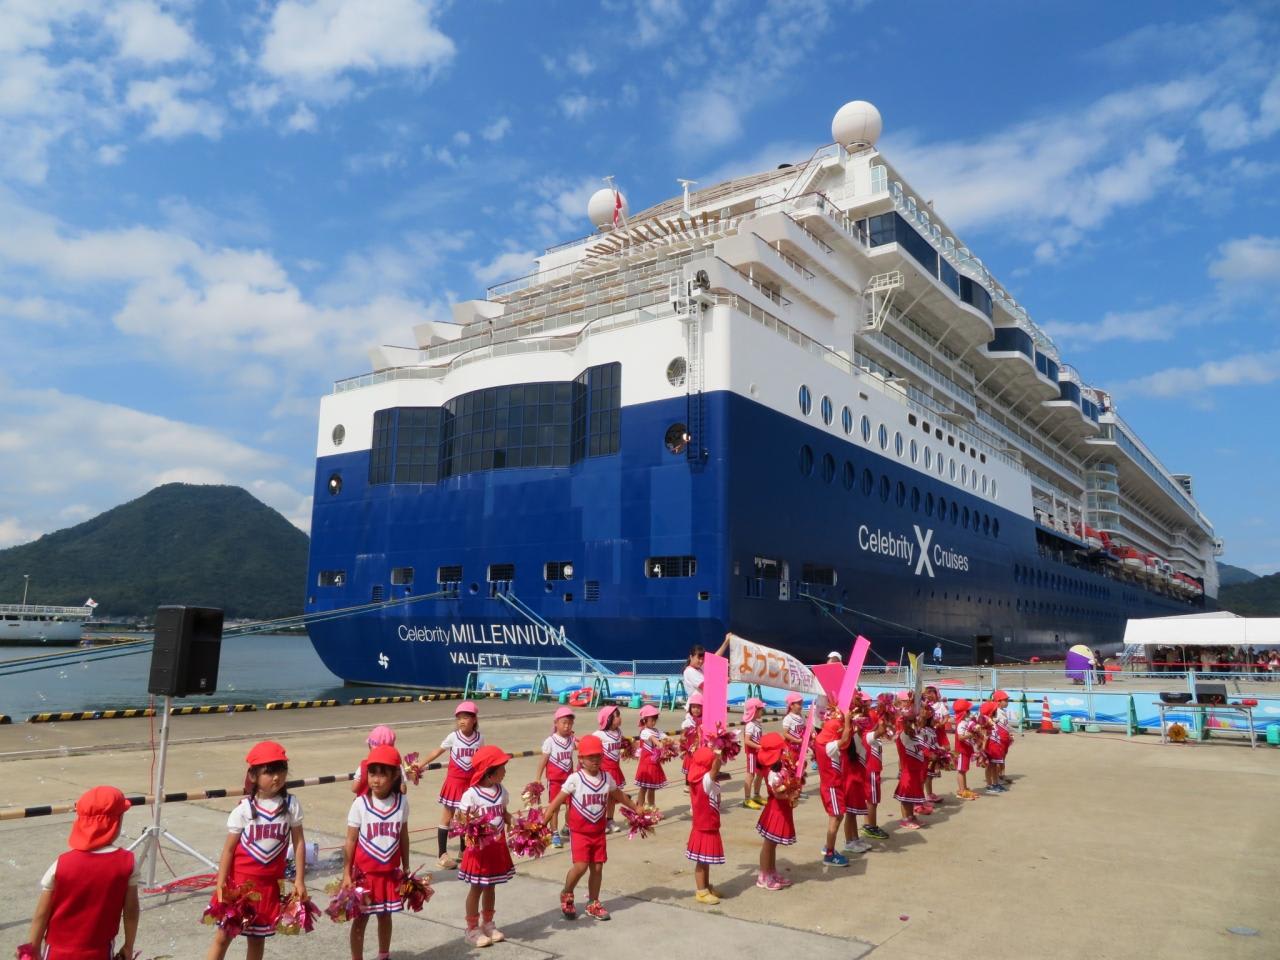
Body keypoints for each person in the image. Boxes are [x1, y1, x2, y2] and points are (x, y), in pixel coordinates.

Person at [205, 741, 306, 959]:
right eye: (269, 772)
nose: (276, 777)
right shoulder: (244, 809)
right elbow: (229, 850)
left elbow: (298, 843)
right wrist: (221, 884)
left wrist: (299, 880)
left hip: (269, 886)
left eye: (281, 770)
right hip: (241, 886)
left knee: (258, 939)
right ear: (253, 776)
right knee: (223, 936)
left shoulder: (291, 805)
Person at [20, 785, 139, 960]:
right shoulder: (127, 863)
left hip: (57, 951)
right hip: (99, 951)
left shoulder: (61, 863)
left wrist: (33, 950)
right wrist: (128, 946)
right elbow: (131, 911)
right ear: (117, 821)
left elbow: (42, 913)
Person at [543, 734, 636, 921]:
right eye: (590, 757)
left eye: (598, 756)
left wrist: (637, 808)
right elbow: (556, 802)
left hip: (598, 832)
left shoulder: (606, 778)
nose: (595, 760)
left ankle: (593, 902)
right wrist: (541, 824)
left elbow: (619, 796)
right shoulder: (575, 779)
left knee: (598, 868)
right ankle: (567, 892)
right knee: (581, 867)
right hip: (580, 832)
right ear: (581, 759)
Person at [344, 745, 409, 960]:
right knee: (360, 919)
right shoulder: (360, 804)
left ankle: (384, 954)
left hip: (389, 874)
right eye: (372, 774)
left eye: (382, 774)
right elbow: (350, 840)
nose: (376, 780)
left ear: (395, 775)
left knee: (385, 916)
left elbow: (403, 836)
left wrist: (406, 866)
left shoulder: (402, 803)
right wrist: (347, 873)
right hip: (365, 875)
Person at [456, 745, 515, 947]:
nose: (505, 771)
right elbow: (461, 820)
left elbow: (503, 813)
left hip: (496, 848)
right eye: (501, 767)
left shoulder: (501, 791)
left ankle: (488, 923)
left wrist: (515, 822)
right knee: (477, 888)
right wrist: (471, 826)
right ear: (489, 773)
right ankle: (472, 928)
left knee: (491, 886)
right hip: (479, 851)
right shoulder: (471, 795)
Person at [417, 701, 483, 869]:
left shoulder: (479, 738)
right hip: (454, 781)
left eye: (465, 718)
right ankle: (442, 854)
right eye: (459, 718)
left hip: (470, 783)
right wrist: (421, 763)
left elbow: (481, 759)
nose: (461, 721)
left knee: (465, 817)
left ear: (474, 719)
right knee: (447, 817)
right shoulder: (454, 737)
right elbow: (437, 751)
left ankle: (463, 850)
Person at [754, 732, 799, 890]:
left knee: (772, 844)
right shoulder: (773, 772)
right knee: (769, 844)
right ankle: (763, 876)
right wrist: (790, 795)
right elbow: (777, 794)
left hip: (781, 808)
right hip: (776, 810)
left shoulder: (778, 766)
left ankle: (771, 872)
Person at [685, 746, 725, 905]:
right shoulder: (705, 780)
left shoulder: (700, 777)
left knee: (705, 859)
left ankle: (706, 886)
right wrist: (718, 754)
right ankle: (701, 891)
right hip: (705, 826)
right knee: (701, 861)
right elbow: (715, 769)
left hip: (708, 824)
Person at [814, 710, 852, 867]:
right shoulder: (829, 745)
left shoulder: (821, 740)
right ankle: (829, 855)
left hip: (832, 785)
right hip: (832, 787)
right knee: (835, 818)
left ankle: (828, 846)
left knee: (839, 815)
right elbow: (845, 739)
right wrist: (848, 720)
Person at [534, 706, 576, 848]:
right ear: (556, 723)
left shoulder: (571, 739)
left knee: (571, 805)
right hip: (555, 781)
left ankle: (568, 826)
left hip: (569, 780)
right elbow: (543, 761)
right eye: (564, 723)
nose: (567, 726)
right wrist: (538, 777)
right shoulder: (550, 741)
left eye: (570, 723)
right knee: (555, 807)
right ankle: (554, 833)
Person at [595, 706, 629, 831]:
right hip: (604, 771)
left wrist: (629, 748)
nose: (619, 718)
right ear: (608, 719)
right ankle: (600, 821)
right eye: (616, 716)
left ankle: (610, 820)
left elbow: (623, 744)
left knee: (612, 797)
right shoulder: (599, 734)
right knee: (602, 797)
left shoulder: (619, 732)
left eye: (619, 715)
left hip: (615, 769)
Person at [893, 711, 927, 830]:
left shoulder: (914, 734)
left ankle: (911, 816)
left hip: (916, 771)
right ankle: (905, 819)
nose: (913, 723)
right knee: (906, 798)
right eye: (910, 721)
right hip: (908, 771)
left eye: (914, 721)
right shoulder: (903, 735)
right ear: (905, 723)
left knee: (912, 796)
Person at [859, 710, 890, 841]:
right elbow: (882, 730)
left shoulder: (867, 735)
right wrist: (885, 715)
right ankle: (872, 827)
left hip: (872, 770)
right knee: (873, 800)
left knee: (870, 799)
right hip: (871, 770)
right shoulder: (868, 735)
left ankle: (867, 824)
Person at [633, 704, 668, 808]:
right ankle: (640, 807)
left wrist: (674, 742)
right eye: (651, 720)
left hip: (654, 763)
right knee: (643, 787)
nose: (653, 722)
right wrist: (659, 744)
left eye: (655, 720)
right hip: (646, 764)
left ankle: (652, 807)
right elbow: (653, 739)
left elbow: (666, 737)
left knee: (652, 788)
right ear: (644, 720)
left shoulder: (657, 731)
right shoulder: (644, 731)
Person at [352, 725, 403, 795]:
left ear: (370, 747)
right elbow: (402, 789)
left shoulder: (364, 765)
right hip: (392, 800)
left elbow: (354, 788)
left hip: (367, 800)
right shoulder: (396, 767)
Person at [952, 700, 980, 800]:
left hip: (965, 750)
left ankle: (964, 789)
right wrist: (970, 735)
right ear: (963, 712)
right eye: (968, 711)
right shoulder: (961, 723)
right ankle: (961, 791)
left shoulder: (964, 722)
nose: (969, 713)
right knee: (961, 771)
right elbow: (960, 737)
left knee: (964, 770)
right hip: (961, 751)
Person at [741, 698, 765, 808]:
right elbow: (747, 741)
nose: (762, 711)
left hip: (758, 753)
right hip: (752, 754)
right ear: (754, 711)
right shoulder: (750, 725)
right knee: (750, 774)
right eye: (760, 709)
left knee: (760, 773)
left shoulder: (757, 723)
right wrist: (759, 746)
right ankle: (747, 799)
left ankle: (756, 795)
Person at [781, 692, 806, 764]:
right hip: (790, 748)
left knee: (800, 764)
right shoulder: (788, 718)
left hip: (800, 746)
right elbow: (785, 734)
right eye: (799, 704)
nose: (801, 706)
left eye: (801, 704)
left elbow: (804, 729)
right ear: (791, 705)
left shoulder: (801, 717)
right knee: (791, 765)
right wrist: (796, 740)